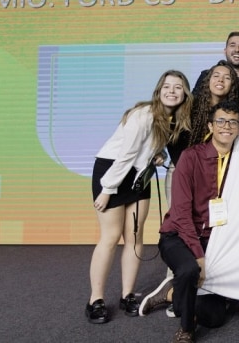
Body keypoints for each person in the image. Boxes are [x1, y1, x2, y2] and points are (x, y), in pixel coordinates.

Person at [86, 70, 192, 324]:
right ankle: (95, 300)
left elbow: (148, 149)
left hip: (139, 174)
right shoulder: (144, 114)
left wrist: (158, 155)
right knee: (111, 237)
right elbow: (126, 155)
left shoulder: (173, 120)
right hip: (113, 171)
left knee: (135, 238)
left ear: (185, 94)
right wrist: (108, 189)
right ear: (158, 90)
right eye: (167, 86)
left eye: (178, 87)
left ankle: (128, 295)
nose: (172, 91)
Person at [137, 100, 239, 343]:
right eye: (220, 121)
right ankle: (186, 329)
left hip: (214, 238)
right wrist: (199, 256)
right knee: (189, 269)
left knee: (214, 317)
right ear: (210, 126)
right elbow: (181, 214)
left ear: (238, 128)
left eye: (232, 122)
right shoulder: (190, 157)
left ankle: (171, 292)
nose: (226, 126)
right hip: (178, 235)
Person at [194, 31, 239, 106]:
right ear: (225, 51)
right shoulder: (206, 75)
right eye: (232, 45)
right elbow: (193, 103)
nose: (237, 50)